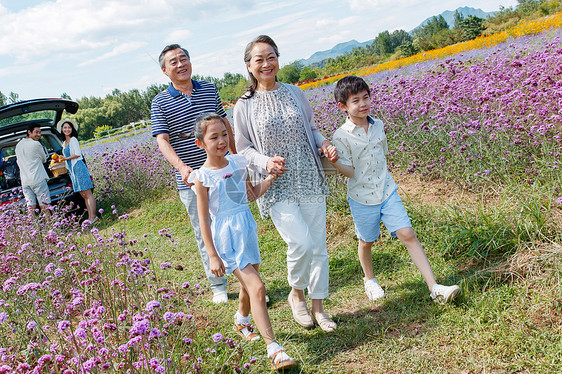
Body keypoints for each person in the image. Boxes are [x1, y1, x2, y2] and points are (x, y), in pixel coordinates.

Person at [234, 35, 338, 332]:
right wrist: (264, 162)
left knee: (317, 246)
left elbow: (313, 128)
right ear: (249, 66)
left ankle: (319, 306)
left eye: (271, 56)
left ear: (278, 59)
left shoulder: (295, 92)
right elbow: (242, 148)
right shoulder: (245, 105)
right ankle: (296, 293)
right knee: (300, 242)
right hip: (275, 183)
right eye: (259, 59)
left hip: (308, 175)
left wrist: (325, 143)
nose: (266, 63)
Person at [326, 75, 461, 304]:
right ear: (343, 107)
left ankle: (435, 287)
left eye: (366, 97)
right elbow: (349, 172)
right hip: (361, 197)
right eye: (355, 100)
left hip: (386, 190)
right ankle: (369, 279)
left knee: (407, 234)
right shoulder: (341, 136)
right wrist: (336, 162)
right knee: (366, 241)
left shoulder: (378, 125)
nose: (363, 104)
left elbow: (383, 155)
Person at [190, 113, 297, 370]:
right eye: (213, 137)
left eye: (224, 134)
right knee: (257, 287)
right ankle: (275, 349)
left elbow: (251, 195)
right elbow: (203, 220)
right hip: (226, 238)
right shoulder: (201, 177)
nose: (221, 140)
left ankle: (241, 320)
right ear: (200, 143)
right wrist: (213, 255)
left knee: (249, 288)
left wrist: (271, 178)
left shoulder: (238, 162)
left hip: (247, 229)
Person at [151, 44, 236, 304]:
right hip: (192, 179)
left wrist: (235, 156)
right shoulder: (160, 102)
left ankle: (246, 279)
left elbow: (224, 124)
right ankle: (218, 284)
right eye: (173, 62)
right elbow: (162, 140)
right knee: (204, 230)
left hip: (223, 172)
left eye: (183, 58)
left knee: (234, 225)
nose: (180, 64)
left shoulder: (208, 88)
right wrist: (181, 167)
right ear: (165, 71)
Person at [57, 119, 97, 222]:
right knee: (83, 195)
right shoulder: (64, 143)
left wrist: (65, 158)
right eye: (65, 127)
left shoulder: (73, 139)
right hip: (73, 170)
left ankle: (93, 217)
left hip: (79, 167)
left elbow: (77, 154)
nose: (67, 129)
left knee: (87, 193)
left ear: (72, 129)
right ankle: (90, 217)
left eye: (69, 127)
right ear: (62, 129)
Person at [15, 123, 51, 213]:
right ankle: (50, 224)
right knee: (44, 204)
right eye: (36, 132)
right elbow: (44, 159)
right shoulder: (36, 144)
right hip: (37, 179)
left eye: (40, 132)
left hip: (25, 182)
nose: (39, 135)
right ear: (29, 132)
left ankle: (34, 225)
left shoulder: (18, 145)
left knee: (31, 206)